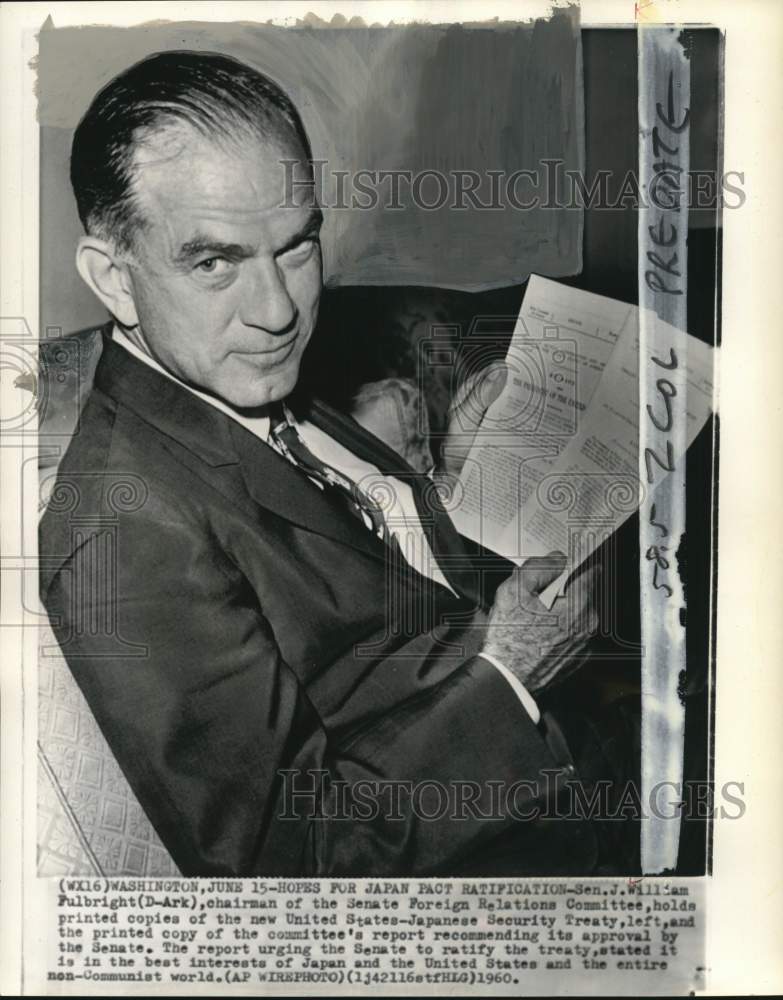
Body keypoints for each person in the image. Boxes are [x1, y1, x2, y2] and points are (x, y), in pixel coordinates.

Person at [40, 50, 627, 877]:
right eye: (213, 263)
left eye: (296, 246)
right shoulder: (124, 533)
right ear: (112, 278)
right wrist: (512, 675)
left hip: (589, 774)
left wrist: (456, 484)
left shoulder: (237, 375)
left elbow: (364, 597)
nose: (279, 310)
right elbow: (292, 859)